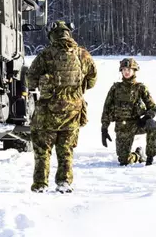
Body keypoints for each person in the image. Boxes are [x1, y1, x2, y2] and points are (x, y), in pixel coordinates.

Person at [27, 20, 97, 193]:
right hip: (72, 112)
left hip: (47, 113)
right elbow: (92, 79)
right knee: (66, 149)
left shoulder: (45, 55)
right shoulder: (83, 55)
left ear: (52, 35)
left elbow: (30, 80)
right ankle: (64, 183)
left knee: (43, 150)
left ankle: (40, 185)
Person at [100, 57, 156, 165]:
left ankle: (150, 156)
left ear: (134, 71)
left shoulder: (140, 88)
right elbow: (106, 109)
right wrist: (104, 128)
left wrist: (145, 118)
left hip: (136, 124)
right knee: (124, 161)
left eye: (129, 70)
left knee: (152, 124)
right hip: (122, 127)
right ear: (121, 71)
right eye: (124, 70)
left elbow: (153, 107)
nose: (126, 72)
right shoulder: (115, 88)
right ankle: (138, 155)